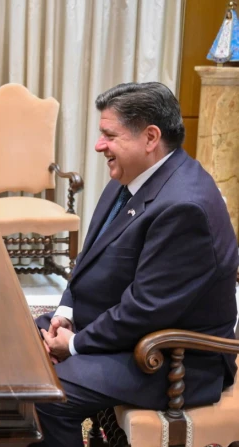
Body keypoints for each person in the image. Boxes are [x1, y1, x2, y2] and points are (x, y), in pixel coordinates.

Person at [31, 82, 239, 447]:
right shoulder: (131, 176)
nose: (99, 146)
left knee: (46, 394)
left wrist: (75, 343)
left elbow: (146, 309)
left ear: (150, 137)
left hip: (173, 359)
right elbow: (92, 260)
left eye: (110, 136)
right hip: (127, 333)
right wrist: (66, 311)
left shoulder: (184, 207)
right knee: (22, 344)